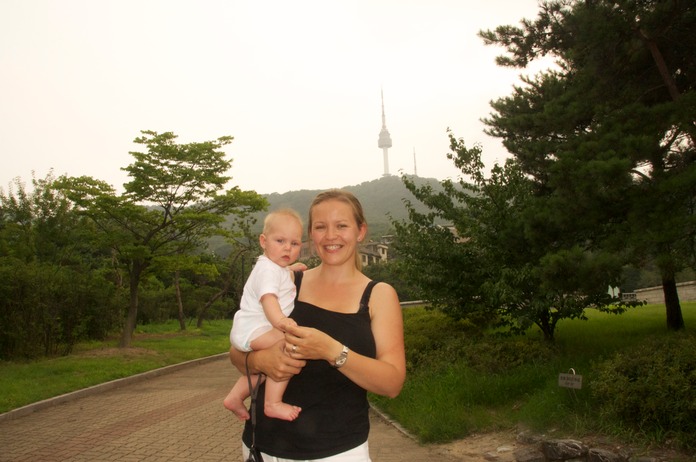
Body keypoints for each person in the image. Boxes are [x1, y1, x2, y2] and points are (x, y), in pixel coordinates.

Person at [229, 189, 406, 461]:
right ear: (311, 235)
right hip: (263, 447)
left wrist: (332, 351)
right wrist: (262, 362)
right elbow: (237, 354)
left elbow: (392, 383)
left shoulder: (378, 295)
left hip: (337, 452)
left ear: (360, 231)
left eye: (342, 226)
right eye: (321, 227)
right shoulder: (288, 283)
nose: (331, 236)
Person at [224, 208, 305, 422]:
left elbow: (281, 275)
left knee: (262, 367)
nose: (287, 247)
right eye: (280, 241)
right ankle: (272, 403)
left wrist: (293, 269)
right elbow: (268, 298)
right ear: (263, 241)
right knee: (290, 346)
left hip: (251, 329)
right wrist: (281, 322)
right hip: (257, 329)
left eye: (294, 244)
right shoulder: (267, 270)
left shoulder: (273, 267)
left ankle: (235, 397)